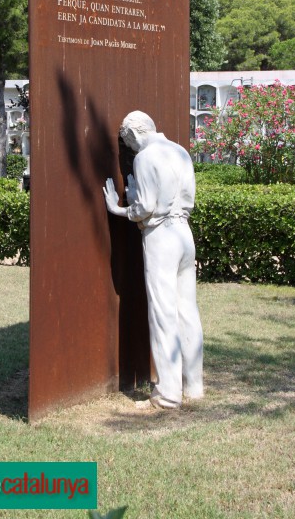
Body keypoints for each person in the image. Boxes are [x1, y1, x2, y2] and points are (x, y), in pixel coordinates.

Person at [103, 110, 204, 409]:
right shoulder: (180, 152)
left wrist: (118, 208)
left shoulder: (145, 157)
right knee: (188, 310)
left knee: (163, 313)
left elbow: (145, 208)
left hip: (161, 237)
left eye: (127, 142)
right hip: (185, 233)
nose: (129, 147)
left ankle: (169, 394)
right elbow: (185, 198)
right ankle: (194, 386)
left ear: (133, 134)